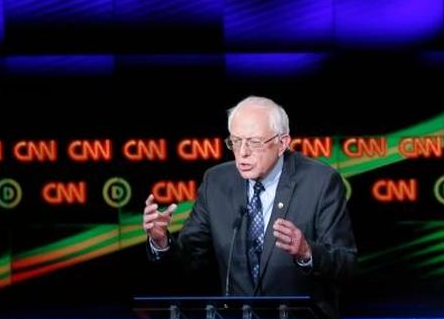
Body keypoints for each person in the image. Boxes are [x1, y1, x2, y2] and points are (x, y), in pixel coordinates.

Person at [143, 96, 356, 319]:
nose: (242, 152)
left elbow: (347, 266)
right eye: (235, 141)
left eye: (254, 142)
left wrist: (307, 252)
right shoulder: (216, 182)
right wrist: (162, 243)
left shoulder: (320, 182)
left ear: (282, 143)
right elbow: (189, 261)